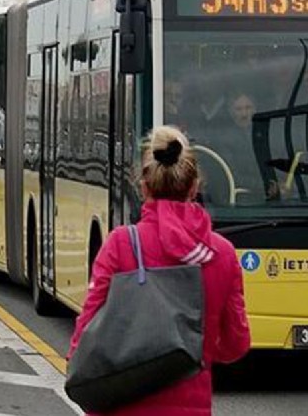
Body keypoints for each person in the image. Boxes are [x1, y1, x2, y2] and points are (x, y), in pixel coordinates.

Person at [68, 126, 251, 416]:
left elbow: (87, 327)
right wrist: (191, 350)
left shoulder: (121, 243)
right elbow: (236, 344)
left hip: (122, 404)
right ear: (194, 187)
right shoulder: (222, 254)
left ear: (143, 186)